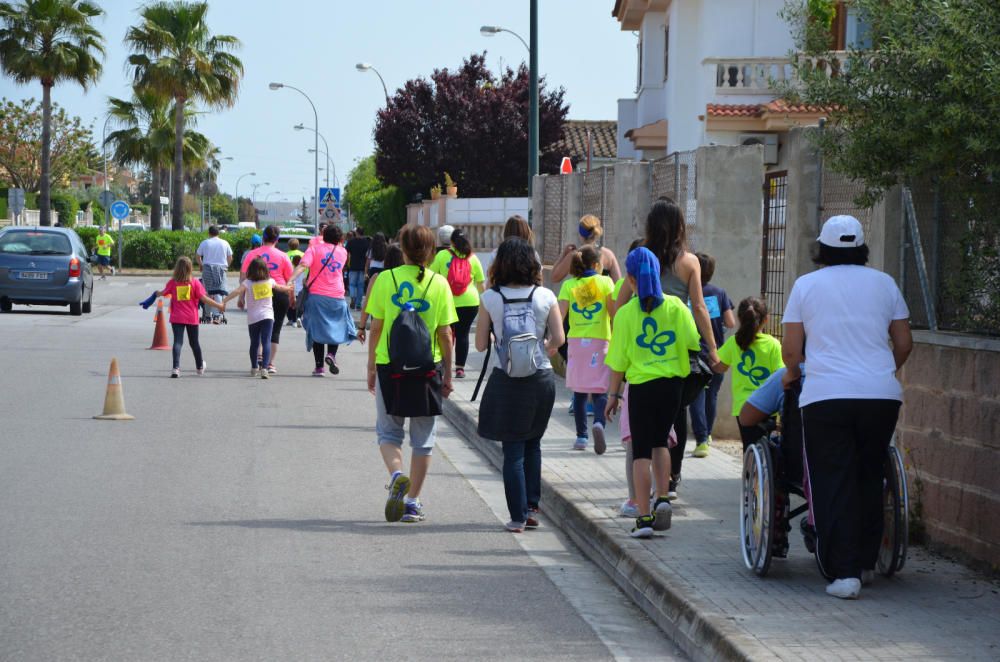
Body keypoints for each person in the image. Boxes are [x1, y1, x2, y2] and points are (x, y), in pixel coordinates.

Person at [781, 215, 912, 600]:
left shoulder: (806, 285)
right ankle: (867, 564)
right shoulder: (885, 283)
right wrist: (883, 370)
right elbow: (903, 342)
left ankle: (845, 573)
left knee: (833, 480)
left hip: (827, 396)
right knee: (870, 475)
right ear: (861, 248)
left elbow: (791, 351)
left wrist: (798, 371)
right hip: (881, 396)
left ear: (822, 248)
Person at [615, 198, 721, 500]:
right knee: (675, 414)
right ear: (679, 227)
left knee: (639, 422)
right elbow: (700, 307)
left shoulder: (640, 257)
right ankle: (671, 482)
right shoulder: (689, 262)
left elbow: (621, 300)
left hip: (641, 346)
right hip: (677, 346)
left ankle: (639, 497)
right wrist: (712, 349)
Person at [604, 248, 700, 538]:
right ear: (658, 274)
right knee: (662, 442)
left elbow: (618, 362)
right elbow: (693, 343)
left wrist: (613, 396)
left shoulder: (624, 315)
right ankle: (662, 497)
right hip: (672, 386)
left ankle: (644, 518)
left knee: (641, 452)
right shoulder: (677, 308)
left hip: (641, 387)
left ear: (630, 279)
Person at [365, 225, 457, 524]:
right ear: (432, 251)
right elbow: (445, 334)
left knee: (388, 432)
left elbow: (376, 327)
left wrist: (370, 367)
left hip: (389, 366)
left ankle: (396, 476)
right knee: (423, 440)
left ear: (402, 249)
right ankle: (413, 503)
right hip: (428, 368)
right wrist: (449, 375)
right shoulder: (440, 284)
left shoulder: (384, 279)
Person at [476, 238, 564, 533]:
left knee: (512, 449)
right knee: (533, 442)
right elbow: (559, 339)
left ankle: (517, 516)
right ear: (532, 264)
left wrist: (500, 342)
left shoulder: (490, 298)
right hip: (541, 378)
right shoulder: (546, 296)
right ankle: (531, 505)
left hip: (507, 380)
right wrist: (543, 350)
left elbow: (479, 345)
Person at [557, 245, 615, 453]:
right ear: (597, 264)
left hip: (575, 342)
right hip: (600, 341)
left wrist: (553, 342)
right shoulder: (606, 282)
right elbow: (613, 313)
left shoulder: (569, 285)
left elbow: (559, 315)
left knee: (579, 392)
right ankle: (599, 422)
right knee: (600, 389)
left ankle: (581, 437)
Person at [712, 297, 783, 449]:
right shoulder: (773, 345)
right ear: (766, 319)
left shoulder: (733, 342)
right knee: (766, 448)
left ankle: (749, 471)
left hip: (743, 406)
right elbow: (780, 374)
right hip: (768, 404)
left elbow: (719, 367)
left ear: (739, 318)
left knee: (749, 446)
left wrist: (710, 353)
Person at [289, 225, 356, 376]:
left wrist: (290, 280)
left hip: (317, 296)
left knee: (317, 330)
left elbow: (302, 265)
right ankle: (331, 354)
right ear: (340, 239)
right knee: (336, 327)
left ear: (323, 235)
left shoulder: (314, 249)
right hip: (337, 295)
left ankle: (319, 367)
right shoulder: (343, 252)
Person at [688, 253, 735, 458]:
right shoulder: (719, 292)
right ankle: (707, 435)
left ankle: (700, 440)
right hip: (716, 352)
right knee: (712, 394)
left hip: (694, 352)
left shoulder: (689, 293)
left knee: (696, 395)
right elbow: (731, 322)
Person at [150, 256, 222, 378]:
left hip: (177, 317)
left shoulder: (173, 283)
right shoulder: (194, 283)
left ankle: (176, 368)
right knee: (194, 343)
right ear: (190, 269)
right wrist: (219, 305)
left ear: (177, 269)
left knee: (178, 342)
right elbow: (204, 299)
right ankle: (199, 367)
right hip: (191, 318)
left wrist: (156, 293)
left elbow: (163, 293)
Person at [221, 257, 293, 378]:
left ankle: (254, 367)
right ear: (265, 270)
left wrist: (224, 300)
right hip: (268, 317)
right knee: (266, 342)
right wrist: (289, 288)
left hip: (253, 318)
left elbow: (237, 291)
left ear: (250, 270)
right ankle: (264, 368)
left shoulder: (247, 283)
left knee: (254, 343)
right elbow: (281, 288)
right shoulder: (269, 281)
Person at [430, 228, 484, 379]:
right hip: (470, 302)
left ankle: (444, 365)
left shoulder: (442, 255)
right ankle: (460, 368)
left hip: (447, 300)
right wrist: (485, 303)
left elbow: (431, 276)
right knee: (463, 334)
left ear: (451, 242)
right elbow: (480, 284)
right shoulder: (473, 258)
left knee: (445, 333)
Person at [240, 226, 294, 375]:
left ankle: (258, 356)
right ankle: (269, 363)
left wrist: (241, 297)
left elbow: (244, 276)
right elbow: (290, 280)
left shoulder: (252, 254)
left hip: (258, 291)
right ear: (277, 239)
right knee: (274, 330)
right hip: (279, 291)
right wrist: (292, 297)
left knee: (257, 327)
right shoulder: (283, 256)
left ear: (263, 238)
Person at [550, 215, 622, 283]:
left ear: (580, 234)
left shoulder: (574, 255)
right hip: (602, 296)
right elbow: (618, 284)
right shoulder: (608, 254)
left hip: (580, 295)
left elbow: (554, 278)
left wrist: (563, 254)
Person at [357, 244, 404, 344]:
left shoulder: (377, 277)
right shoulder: (408, 278)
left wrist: (361, 327)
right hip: (402, 323)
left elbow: (367, 303)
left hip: (380, 323)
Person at [481, 215, 536, 288]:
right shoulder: (532, 254)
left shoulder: (497, 253)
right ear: (526, 232)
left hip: (502, 296)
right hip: (527, 296)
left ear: (506, 232)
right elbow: (538, 280)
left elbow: (491, 279)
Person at [196, 225, 233, 323]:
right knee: (218, 292)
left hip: (207, 269)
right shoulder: (225, 243)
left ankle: (207, 315)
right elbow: (230, 257)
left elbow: (198, 256)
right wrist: (226, 267)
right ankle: (217, 316)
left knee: (207, 292)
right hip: (221, 269)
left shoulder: (205, 243)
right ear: (219, 233)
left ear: (209, 233)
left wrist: (201, 265)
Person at [345, 227, 371, 311]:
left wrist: (346, 264)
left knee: (352, 284)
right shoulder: (366, 242)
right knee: (360, 286)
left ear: (356, 233)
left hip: (353, 266)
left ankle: (353, 297)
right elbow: (368, 256)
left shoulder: (351, 242)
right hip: (363, 267)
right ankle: (359, 304)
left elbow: (347, 253)